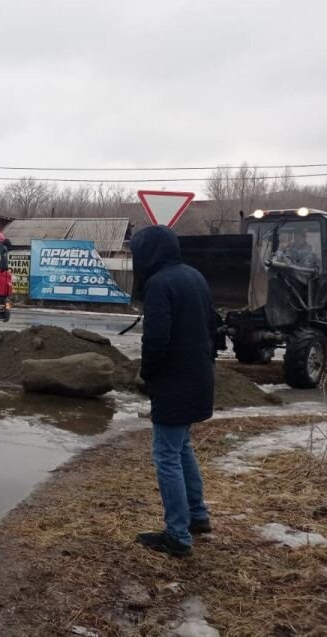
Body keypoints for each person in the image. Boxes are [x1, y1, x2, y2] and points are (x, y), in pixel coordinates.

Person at [130, 225, 216, 557]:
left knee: (166, 455)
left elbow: (156, 339)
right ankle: (197, 517)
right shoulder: (194, 276)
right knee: (182, 448)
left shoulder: (159, 284)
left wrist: (147, 374)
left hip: (174, 382)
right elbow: (212, 327)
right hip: (198, 378)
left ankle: (177, 535)